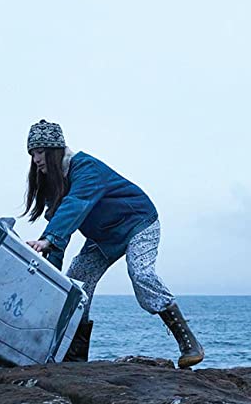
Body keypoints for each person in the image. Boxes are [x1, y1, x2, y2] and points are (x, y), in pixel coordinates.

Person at [22, 120, 204, 368]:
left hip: (138, 223)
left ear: (54, 150)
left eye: (40, 152)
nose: (36, 160)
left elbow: (76, 204)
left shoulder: (86, 168)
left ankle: (188, 343)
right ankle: (74, 360)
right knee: (76, 286)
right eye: (32, 154)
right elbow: (59, 229)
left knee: (141, 273)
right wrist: (51, 270)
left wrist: (48, 239)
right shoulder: (55, 183)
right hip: (103, 237)